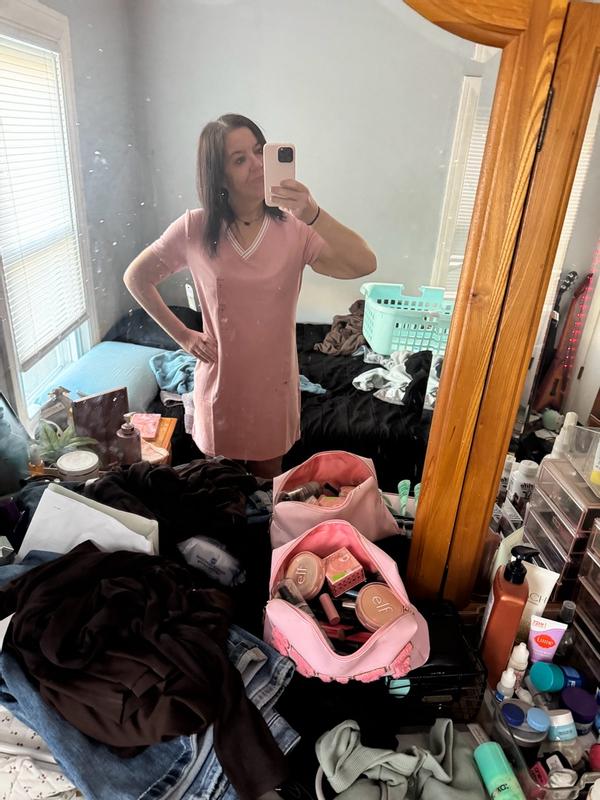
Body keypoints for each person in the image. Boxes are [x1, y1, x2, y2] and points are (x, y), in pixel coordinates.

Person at [124, 113, 376, 478]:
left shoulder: (295, 228)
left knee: (265, 486)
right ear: (219, 174)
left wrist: (313, 213)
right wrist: (183, 336)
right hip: (221, 383)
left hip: (273, 386)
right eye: (239, 159)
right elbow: (137, 277)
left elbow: (364, 263)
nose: (257, 165)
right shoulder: (195, 227)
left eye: (260, 151)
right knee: (218, 487)